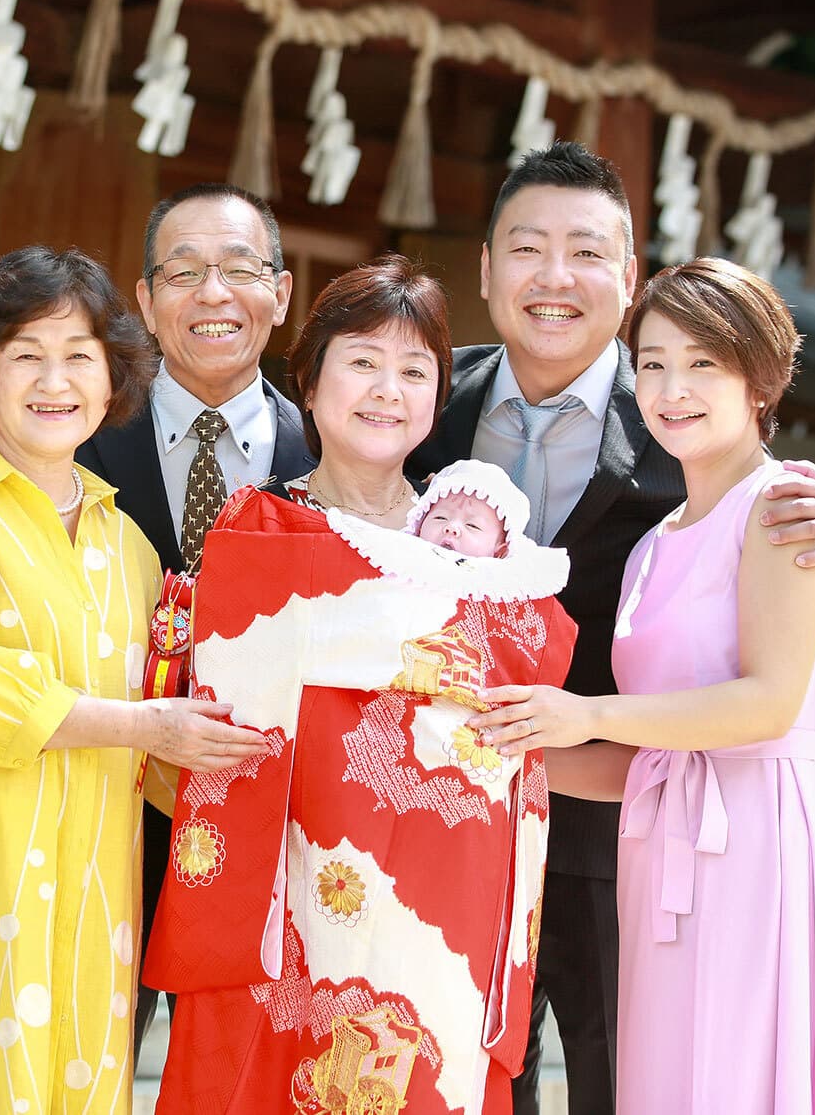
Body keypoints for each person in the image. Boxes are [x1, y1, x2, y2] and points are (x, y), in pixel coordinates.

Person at [411, 142, 815, 1115]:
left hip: (680, 845)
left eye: (585, 251)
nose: (554, 276)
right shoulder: (415, 397)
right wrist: (479, 745)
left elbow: (789, 647)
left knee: (653, 1080)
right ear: (484, 267)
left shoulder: (716, 456)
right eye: (526, 247)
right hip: (507, 812)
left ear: (625, 276)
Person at [146, 259, 576, 1114]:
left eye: (416, 371)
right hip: (287, 900)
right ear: (309, 380)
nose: (389, 390)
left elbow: (530, 687)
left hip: (436, 912)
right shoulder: (257, 528)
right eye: (363, 361)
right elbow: (223, 688)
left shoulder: (480, 555)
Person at [0, 245, 270, 1111]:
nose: (56, 379)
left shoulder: (131, 544)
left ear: (112, 377)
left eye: (79, 355)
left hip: (93, 891)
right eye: (26, 354)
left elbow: (168, 742)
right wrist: (148, 727)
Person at [75, 182, 314, 1050]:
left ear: (280, 293)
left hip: (273, 831)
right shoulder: (70, 444)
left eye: (240, 268)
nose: (213, 294)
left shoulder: (332, 454)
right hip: (101, 816)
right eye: (183, 272)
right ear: (145, 300)